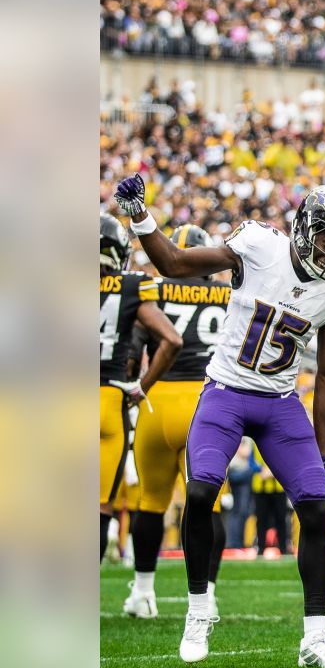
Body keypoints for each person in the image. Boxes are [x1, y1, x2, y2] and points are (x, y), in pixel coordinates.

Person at [114, 175, 325, 668]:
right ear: (306, 227)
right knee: (203, 491)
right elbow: (174, 263)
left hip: (279, 401)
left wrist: (320, 450)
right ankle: (197, 611)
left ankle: (315, 638)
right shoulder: (258, 247)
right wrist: (140, 214)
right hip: (226, 391)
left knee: (316, 507)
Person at [124, 224, 232, 619]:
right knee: (208, 506)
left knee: (149, 503)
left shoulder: (154, 289)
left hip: (157, 403)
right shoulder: (227, 293)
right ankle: (209, 594)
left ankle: (142, 592)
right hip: (206, 404)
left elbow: (133, 349)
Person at [99, 213, 181, 563]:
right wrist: (140, 387)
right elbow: (172, 340)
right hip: (108, 400)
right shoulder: (132, 284)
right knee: (100, 507)